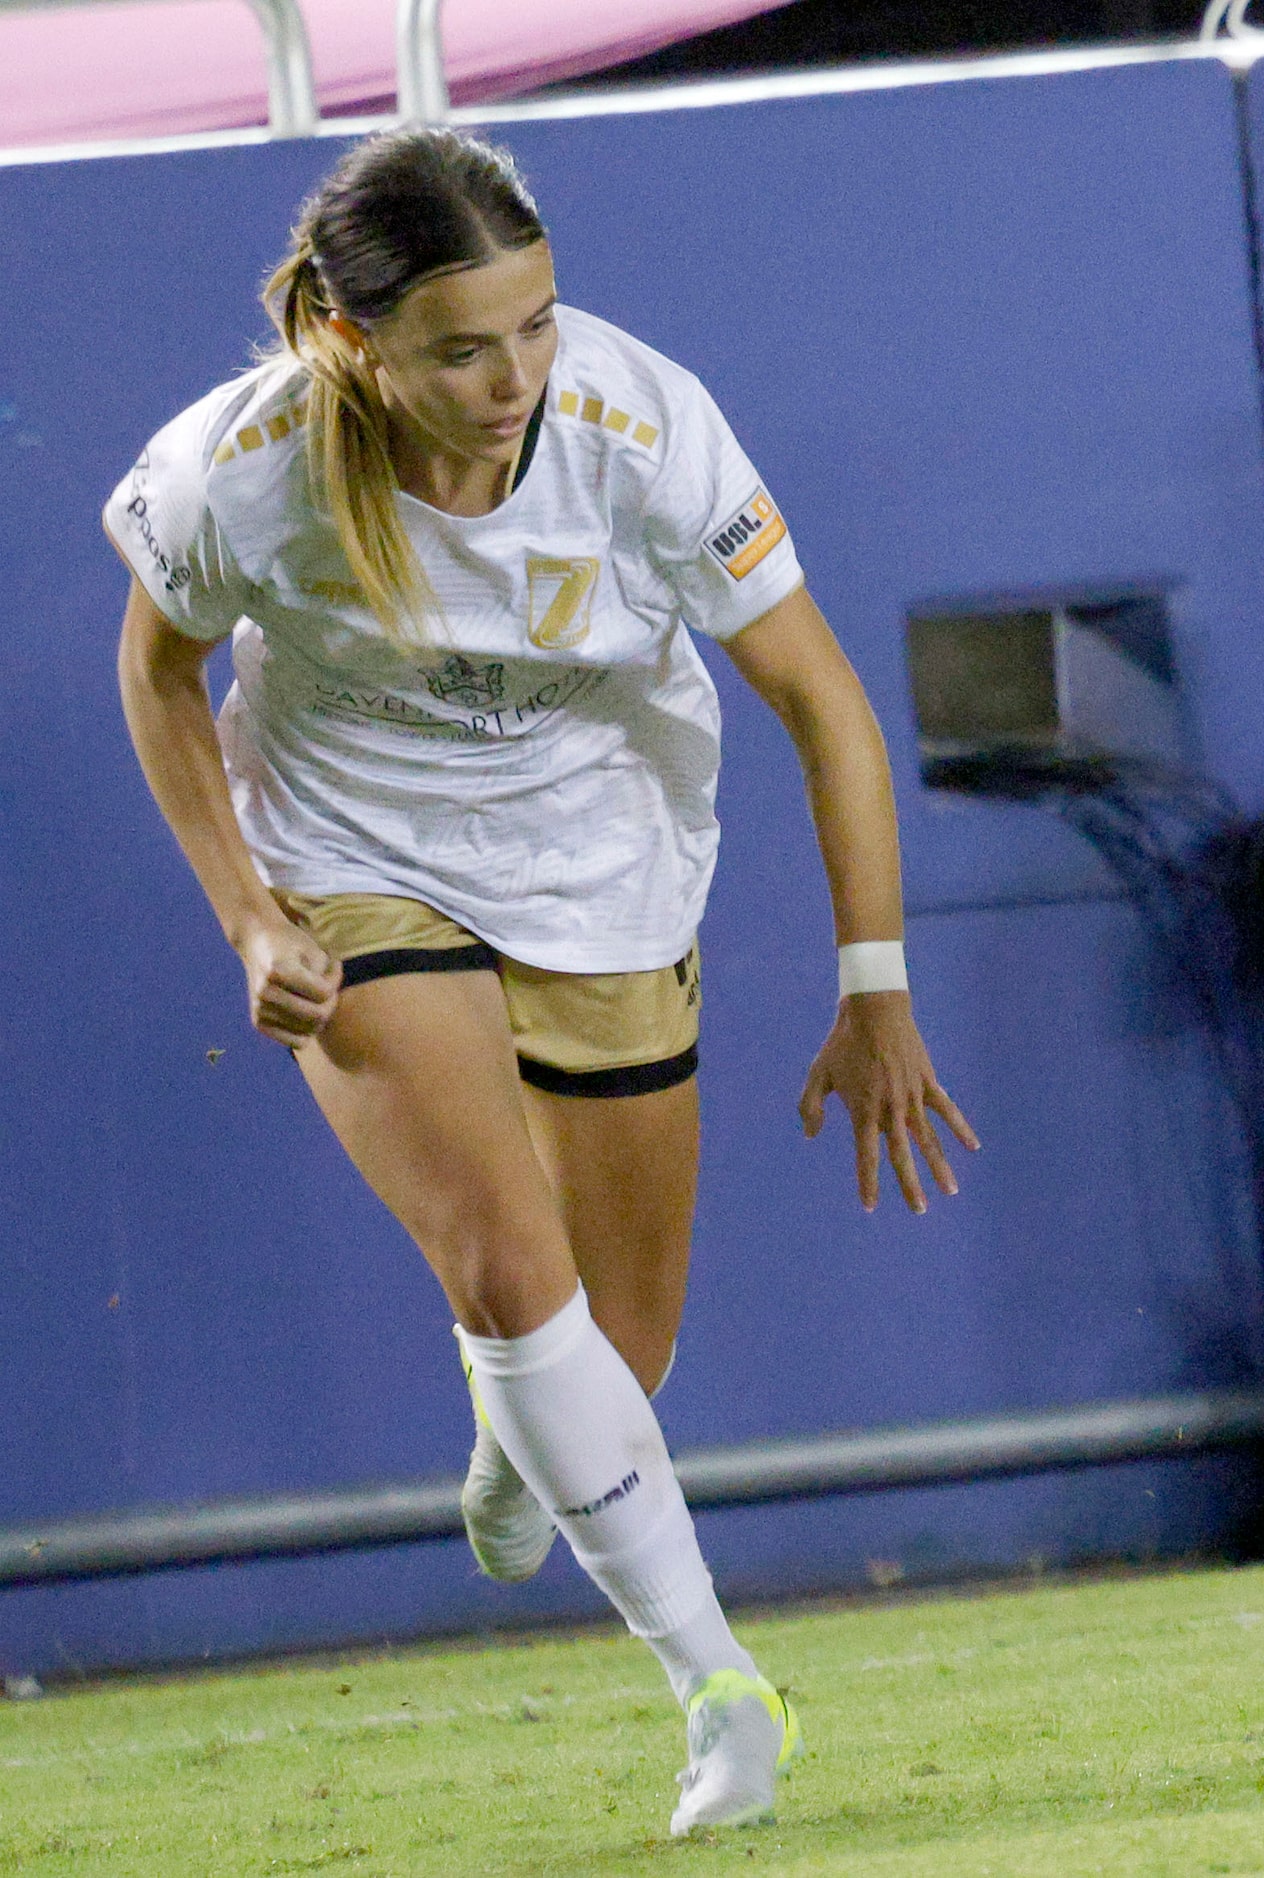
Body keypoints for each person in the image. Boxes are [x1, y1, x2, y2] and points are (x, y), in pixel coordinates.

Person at [107, 128, 977, 1836]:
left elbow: (821, 699)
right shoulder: (242, 465)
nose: (512, 380)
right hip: (355, 849)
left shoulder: (643, 425)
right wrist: (251, 916)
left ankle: (527, 1431)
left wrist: (875, 982)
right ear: (351, 342)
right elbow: (155, 670)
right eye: (459, 347)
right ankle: (723, 1684)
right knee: (510, 1272)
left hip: (604, 856)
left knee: (613, 1349)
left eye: (536, 328)